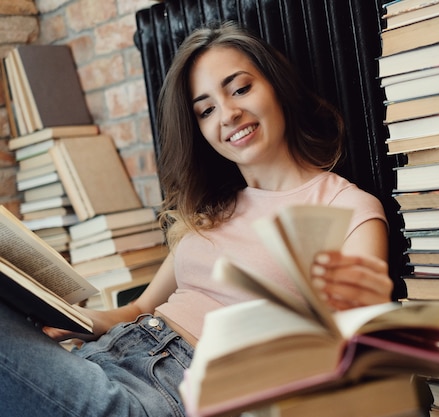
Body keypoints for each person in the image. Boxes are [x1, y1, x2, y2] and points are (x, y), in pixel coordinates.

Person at [0, 22, 393, 417]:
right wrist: (79, 318)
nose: (229, 114)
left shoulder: (348, 209)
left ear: (277, 86)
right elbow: (139, 308)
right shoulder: (212, 209)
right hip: (108, 355)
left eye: (240, 88)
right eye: (206, 109)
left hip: (177, 390)